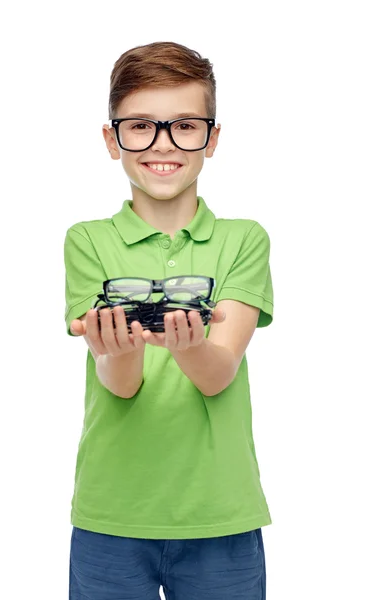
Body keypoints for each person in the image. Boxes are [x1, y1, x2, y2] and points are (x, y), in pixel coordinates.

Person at [64, 41, 274, 600]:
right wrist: (116, 351)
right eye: (140, 126)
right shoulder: (87, 240)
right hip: (110, 512)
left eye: (185, 125)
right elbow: (122, 385)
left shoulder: (243, 239)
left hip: (221, 514)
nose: (163, 145)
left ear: (212, 137)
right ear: (113, 140)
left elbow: (216, 373)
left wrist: (188, 346)